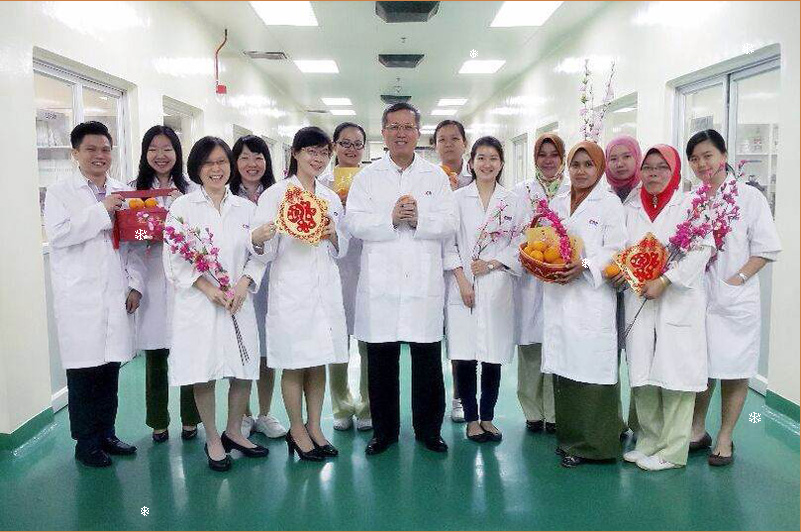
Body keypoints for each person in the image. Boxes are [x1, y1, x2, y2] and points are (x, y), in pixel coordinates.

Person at [345, 102, 457, 455]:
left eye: (408, 127)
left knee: (427, 362)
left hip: (422, 284)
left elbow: (450, 222)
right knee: (381, 363)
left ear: (418, 133)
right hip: (381, 286)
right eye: (393, 127)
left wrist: (420, 219)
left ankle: (429, 430)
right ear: (383, 133)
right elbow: (354, 223)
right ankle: (384, 433)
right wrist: (390, 219)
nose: (401, 133)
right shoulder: (367, 178)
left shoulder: (436, 177)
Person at [165, 136, 268, 472]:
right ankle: (212, 438)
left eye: (222, 161)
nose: (216, 168)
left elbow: (260, 255)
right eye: (208, 162)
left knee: (243, 369)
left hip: (238, 301)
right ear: (197, 167)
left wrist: (244, 283)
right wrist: (208, 288)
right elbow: (174, 258)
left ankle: (234, 431)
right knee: (204, 369)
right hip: (201, 303)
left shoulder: (246, 209)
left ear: (230, 165)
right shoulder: (182, 208)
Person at [44, 121, 144, 467]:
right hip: (80, 298)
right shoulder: (60, 192)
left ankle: (107, 434)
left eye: (105, 149)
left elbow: (134, 244)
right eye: (90, 149)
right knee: (84, 374)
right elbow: (59, 235)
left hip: (116, 294)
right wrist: (102, 210)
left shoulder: (123, 192)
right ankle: (86, 442)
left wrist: (136, 284)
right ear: (76, 153)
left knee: (110, 371)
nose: (99, 155)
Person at [251, 126, 349, 462]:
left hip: (324, 289)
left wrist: (333, 234)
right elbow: (263, 253)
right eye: (311, 151)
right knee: (294, 364)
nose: (317, 159)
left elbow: (341, 249)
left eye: (323, 153)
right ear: (295, 153)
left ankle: (315, 426)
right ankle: (296, 429)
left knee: (318, 361)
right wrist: (260, 237)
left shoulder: (330, 197)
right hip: (291, 291)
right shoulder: (276, 195)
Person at [686, 129, 782, 466]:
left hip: (735, 298)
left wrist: (737, 279)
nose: (702, 164)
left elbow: (766, 249)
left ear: (724, 156)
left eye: (708, 156)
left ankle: (725, 437)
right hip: (700, 298)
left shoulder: (749, 198)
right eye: (694, 159)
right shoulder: (692, 200)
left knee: (734, 369)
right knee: (702, 367)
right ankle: (696, 429)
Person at [617, 145, 713, 471]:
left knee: (676, 375)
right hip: (639, 299)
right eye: (648, 167)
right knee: (642, 372)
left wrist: (667, 279)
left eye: (662, 167)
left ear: (674, 172)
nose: (654, 173)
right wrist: (621, 271)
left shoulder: (691, 206)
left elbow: (701, 252)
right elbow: (620, 249)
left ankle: (672, 451)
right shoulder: (630, 207)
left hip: (677, 301)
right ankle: (648, 441)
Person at [541, 141, 627, 468]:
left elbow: (616, 249)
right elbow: (547, 240)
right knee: (566, 370)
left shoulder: (609, 204)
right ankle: (569, 440)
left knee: (590, 369)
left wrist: (586, 265)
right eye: (575, 164)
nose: (580, 171)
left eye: (588, 165)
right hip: (561, 295)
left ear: (599, 168)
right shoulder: (558, 201)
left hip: (592, 298)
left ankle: (595, 446)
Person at [444, 136, 526, 443]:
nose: (487, 164)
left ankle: (488, 417)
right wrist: (463, 280)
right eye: (481, 158)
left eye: (493, 158)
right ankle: (471, 419)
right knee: (464, 356)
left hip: (497, 285)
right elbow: (448, 244)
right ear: (471, 162)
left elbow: (521, 243)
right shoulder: (457, 199)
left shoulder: (513, 201)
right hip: (462, 286)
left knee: (493, 355)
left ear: (501, 163)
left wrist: (491, 264)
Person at [132, 125, 200, 443]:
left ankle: (191, 419)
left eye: (167, 149)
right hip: (152, 280)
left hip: (185, 284)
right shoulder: (134, 192)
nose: (160, 155)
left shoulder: (191, 191)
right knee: (156, 357)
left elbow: (202, 236)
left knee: (188, 352)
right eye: (153, 149)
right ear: (145, 154)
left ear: (177, 153)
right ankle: (158, 421)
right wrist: (135, 283)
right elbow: (130, 242)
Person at [229, 135, 287, 440]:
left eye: (259, 157)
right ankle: (244, 414)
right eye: (244, 157)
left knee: (266, 349)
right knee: (240, 347)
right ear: (234, 162)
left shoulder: (279, 195)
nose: (252, 164)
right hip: (236, 282)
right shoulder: (225, 195)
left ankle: (265, 412)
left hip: (269, 282)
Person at [513, 133, 569, 435]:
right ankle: (532, 411)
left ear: (562, 158)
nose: (548, 161)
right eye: (542, 155)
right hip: (529, 280)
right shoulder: (521, 191)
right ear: (535, 158)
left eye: (554, 154)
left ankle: (555, 412)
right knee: (531, 349)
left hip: (561, 279)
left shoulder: (573, 190)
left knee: (556, 347)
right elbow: (511, 231)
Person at [318, 122, 372, 432]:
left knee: (368, 340)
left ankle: (367, 405)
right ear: (334, 146)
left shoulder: (372, 181)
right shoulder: (321, 184)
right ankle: (340, 404)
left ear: (364, 148)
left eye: (357, 144)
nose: (351, 149)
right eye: (345, 143)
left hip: (366, 268)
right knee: (336, 340)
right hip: (333, 270)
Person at [604, 134, 644, 437]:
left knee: (640, 357)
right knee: (607, 357)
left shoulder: (648, 194)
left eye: (626, 157)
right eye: (613, 158)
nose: (619, 164)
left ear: (637, 158)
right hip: (604, 287)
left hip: (640, 290)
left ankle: (641, 423)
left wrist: (630, 271)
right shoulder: (601, 194)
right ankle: (612, 421)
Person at [434, 118, 471, 423]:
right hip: (433, 268)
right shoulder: (428, 179)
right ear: (435, 146)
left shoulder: (477, 178)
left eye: (454, 138)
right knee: (432, 338)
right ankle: (434, 401)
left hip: (468, 271)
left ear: (464, 143)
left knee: (462, 339)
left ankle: (460, 396)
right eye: (442, 139)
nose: (448, 144)